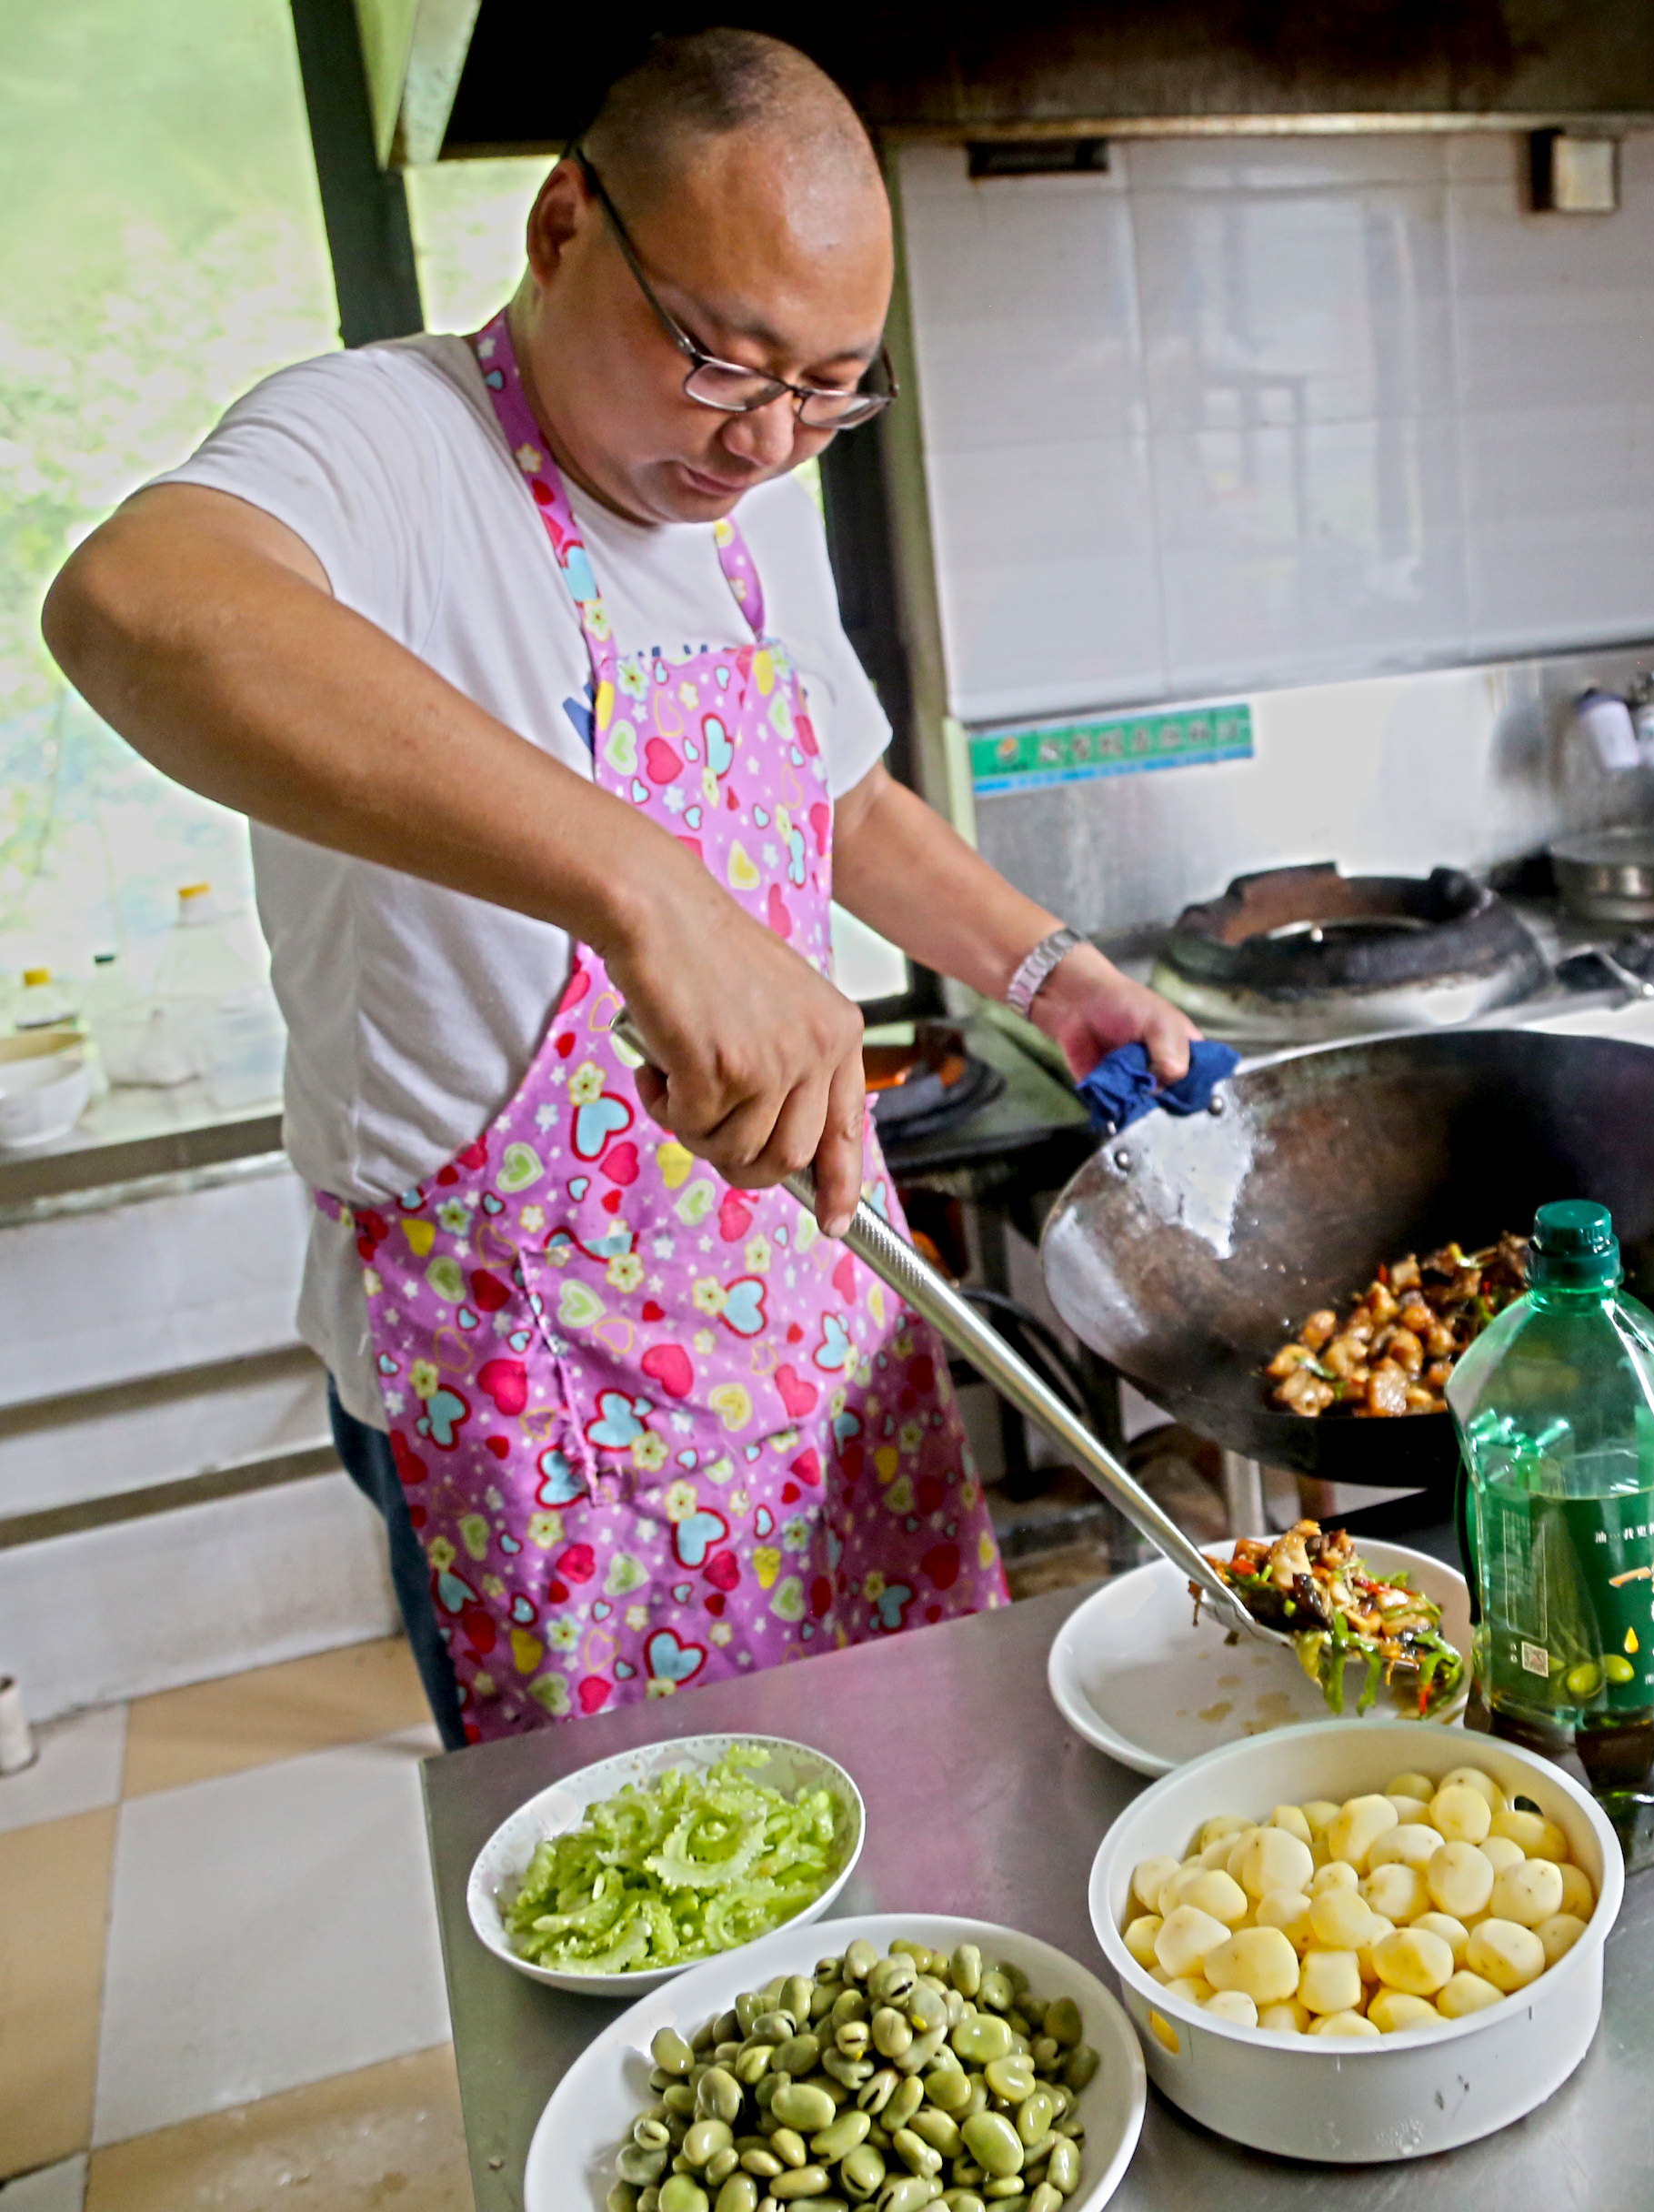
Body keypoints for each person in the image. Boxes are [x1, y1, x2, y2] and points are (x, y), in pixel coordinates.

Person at [43, 28, 1196, 1747]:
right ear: (564, 223)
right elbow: (131, 605)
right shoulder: (387, 441)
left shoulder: (749, 500)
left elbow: (840, 798)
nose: (768, 439)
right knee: (649, 1924)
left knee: (915, 1853)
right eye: (722, 360)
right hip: (536, 1397)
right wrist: (646, 891)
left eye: (831, 386)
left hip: (804, 1320)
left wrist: (1046, 975)